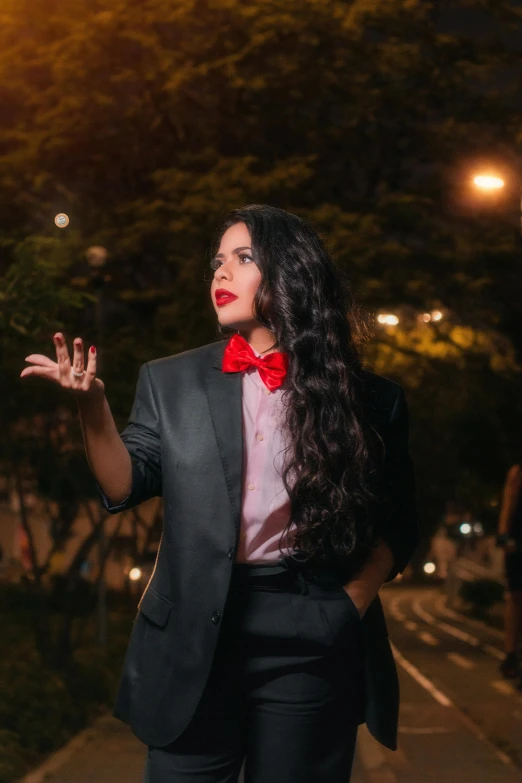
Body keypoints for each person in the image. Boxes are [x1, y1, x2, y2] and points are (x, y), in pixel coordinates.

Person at [21, 205, 419, 783]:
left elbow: (398, 521)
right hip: (192, 634)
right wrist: (92, 407)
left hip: (306, 627)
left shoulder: (369, 398)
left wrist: (344, 608)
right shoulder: (170, 380)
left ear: (292, 273)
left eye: (243, 258)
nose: (220, 275)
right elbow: (123, 483)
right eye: (216, 262)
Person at [496, 463, 522, 684]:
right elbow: (508, 504)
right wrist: (504, 535)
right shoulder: (517, 472)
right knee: (515, 598)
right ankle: (511, 654)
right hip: (518, 545)